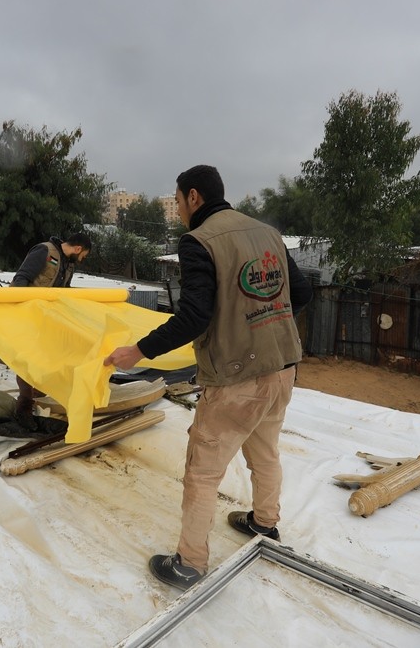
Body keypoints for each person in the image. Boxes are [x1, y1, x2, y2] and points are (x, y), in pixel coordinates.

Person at [103, 165, 312, 590]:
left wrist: (138, 351)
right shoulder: (267, 233)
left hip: (237, 379)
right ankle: (264, 523)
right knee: (265, 451)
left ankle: (189, 563)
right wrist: (261, 322)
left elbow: (194, 317)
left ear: (194, 197)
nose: (179, 210)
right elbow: (302, 293)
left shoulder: (198, 241)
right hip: (283, 367)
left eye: (179, 201)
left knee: (203, 471)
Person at [10, 232, 92, 419]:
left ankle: (40, 394)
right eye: (83, 256)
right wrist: (22, 309)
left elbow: (64, 292)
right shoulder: (44, 251)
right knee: (27, 359)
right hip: (28, 314)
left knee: (49, 354)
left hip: (48, 317)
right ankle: (24, 405)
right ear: (78, 248)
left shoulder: (68, 264)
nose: (81, 260)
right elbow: (21, 278)